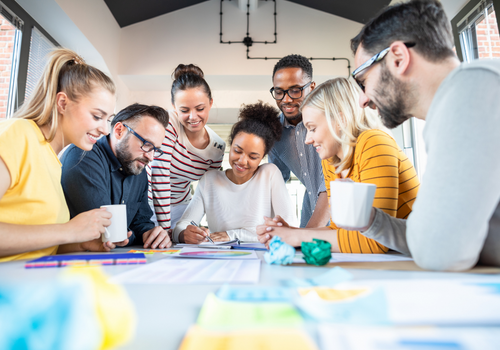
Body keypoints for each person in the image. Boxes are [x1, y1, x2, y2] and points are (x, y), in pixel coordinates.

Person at [350, 0, 500, 270]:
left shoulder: (472, 92)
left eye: (362, 80)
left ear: (398, 58)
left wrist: (438, 241)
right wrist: (370, 219)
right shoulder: (468, 94)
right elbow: (433, 236)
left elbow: (441, 252)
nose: (363, 99)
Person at [257, 78, 420, 252]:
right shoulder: (331, 161)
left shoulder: (374, 142)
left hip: (421, 256)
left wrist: (297, 237)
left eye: (312, 128)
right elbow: (338, 231)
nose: (307, 139)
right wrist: (290, 233)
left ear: (340, 120)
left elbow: (376, 241)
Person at [0, 48, 124, 262]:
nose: (105, 130)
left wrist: (81, 242)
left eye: (108, 119)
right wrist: (69, 230)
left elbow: (37, 245)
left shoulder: (53, 161)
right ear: (62, 103)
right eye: (97, 116)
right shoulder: (18, 134)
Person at [173, 102, 297, 244]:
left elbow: (288, 229)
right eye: (237, 151)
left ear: (262, 157)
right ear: (231, 145)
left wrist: (233, 235)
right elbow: (181, 226)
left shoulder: (269, 174)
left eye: (253, 156)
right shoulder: (210, 180)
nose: (242, 161)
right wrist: (184, 234)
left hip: (260, 259)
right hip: (220, 258)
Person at [61, 104, 172, 250]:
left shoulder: (138, 168)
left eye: (155, 149)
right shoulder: (83, 156)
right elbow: (106, 234)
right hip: (74, 263)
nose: (151, 157)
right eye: (146, 144)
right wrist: (136, 235)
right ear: (119, 131)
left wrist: (152, 235)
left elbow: (141, 222)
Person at [149, 64, 225, 230]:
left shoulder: (217, 147)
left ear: (210, 103)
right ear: (174, 107)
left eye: (200, 108)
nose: (193, 117)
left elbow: (209, 190)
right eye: (184, 110)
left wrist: (216, 229)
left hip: (181, 208)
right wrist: (164, 228)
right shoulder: (169, 121)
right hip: (148, 203)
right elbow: (160, 172)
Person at [269, 54, 330, 228]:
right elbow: (275, 182)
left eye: (295, 90)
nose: (286, 99)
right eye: (279, 92)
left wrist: (306, 235)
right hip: (310, 212)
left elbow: (330, 185)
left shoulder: (329, 122)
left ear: (311, 87)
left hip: (340, 215)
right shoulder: (275, 134)